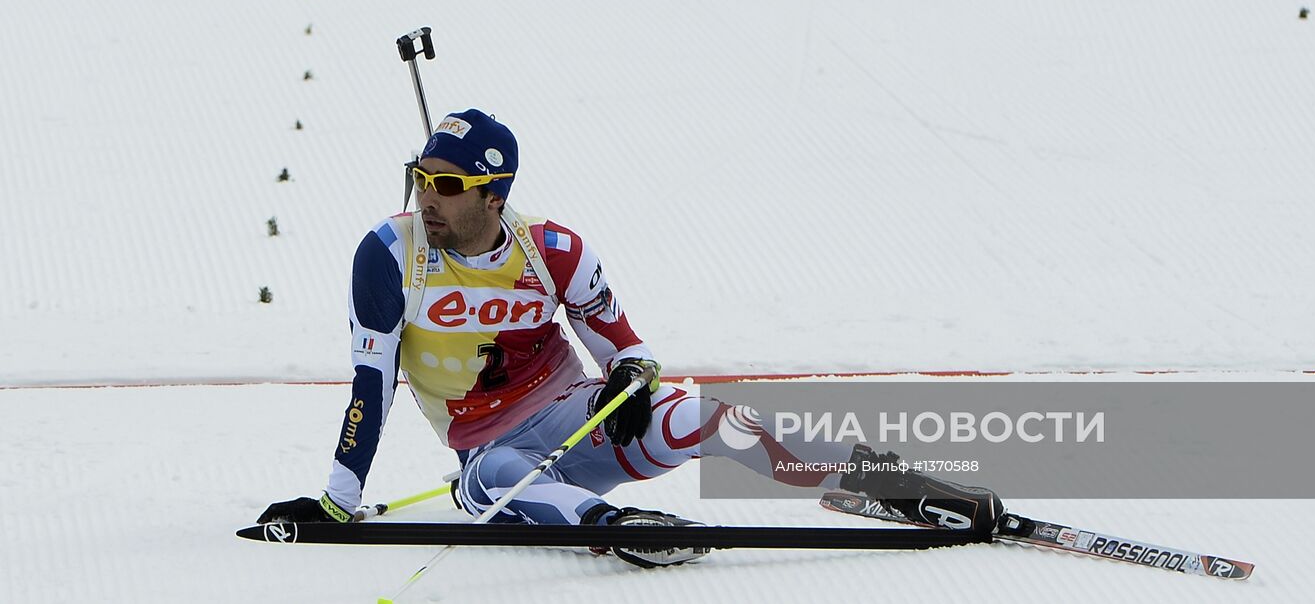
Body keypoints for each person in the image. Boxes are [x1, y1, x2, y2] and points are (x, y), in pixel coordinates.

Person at [259, 109, 1004, 567]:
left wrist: (632, 384)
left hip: (583, 423)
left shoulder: (554, 250)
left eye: (448, 187)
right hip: (497, 453)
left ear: (496, 193)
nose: (428, 198)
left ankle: (902, 489)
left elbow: (631, 353)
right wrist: (335, 501)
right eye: (421, 177)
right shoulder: (390, 256)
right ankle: (627, 531)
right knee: (479, 486)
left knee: (717, 419)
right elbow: (373, 384)